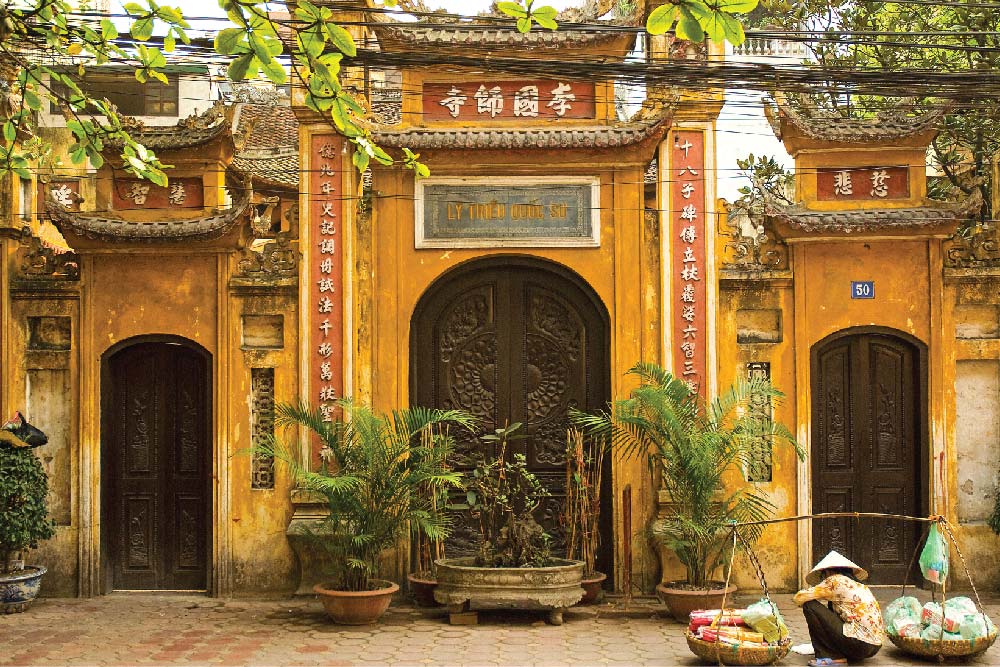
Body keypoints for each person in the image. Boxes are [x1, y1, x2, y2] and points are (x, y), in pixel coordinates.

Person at [793, 551, 885, 667]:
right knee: (831, 608)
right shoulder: (859, 585)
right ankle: (838, 651)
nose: (824, 578)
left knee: (810, 605)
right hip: (874, 646)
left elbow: (800, 597)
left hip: (859, 644)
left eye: (824, 574)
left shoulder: (835, 580)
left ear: (829, 571)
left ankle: (832, 657)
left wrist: (817, 596)